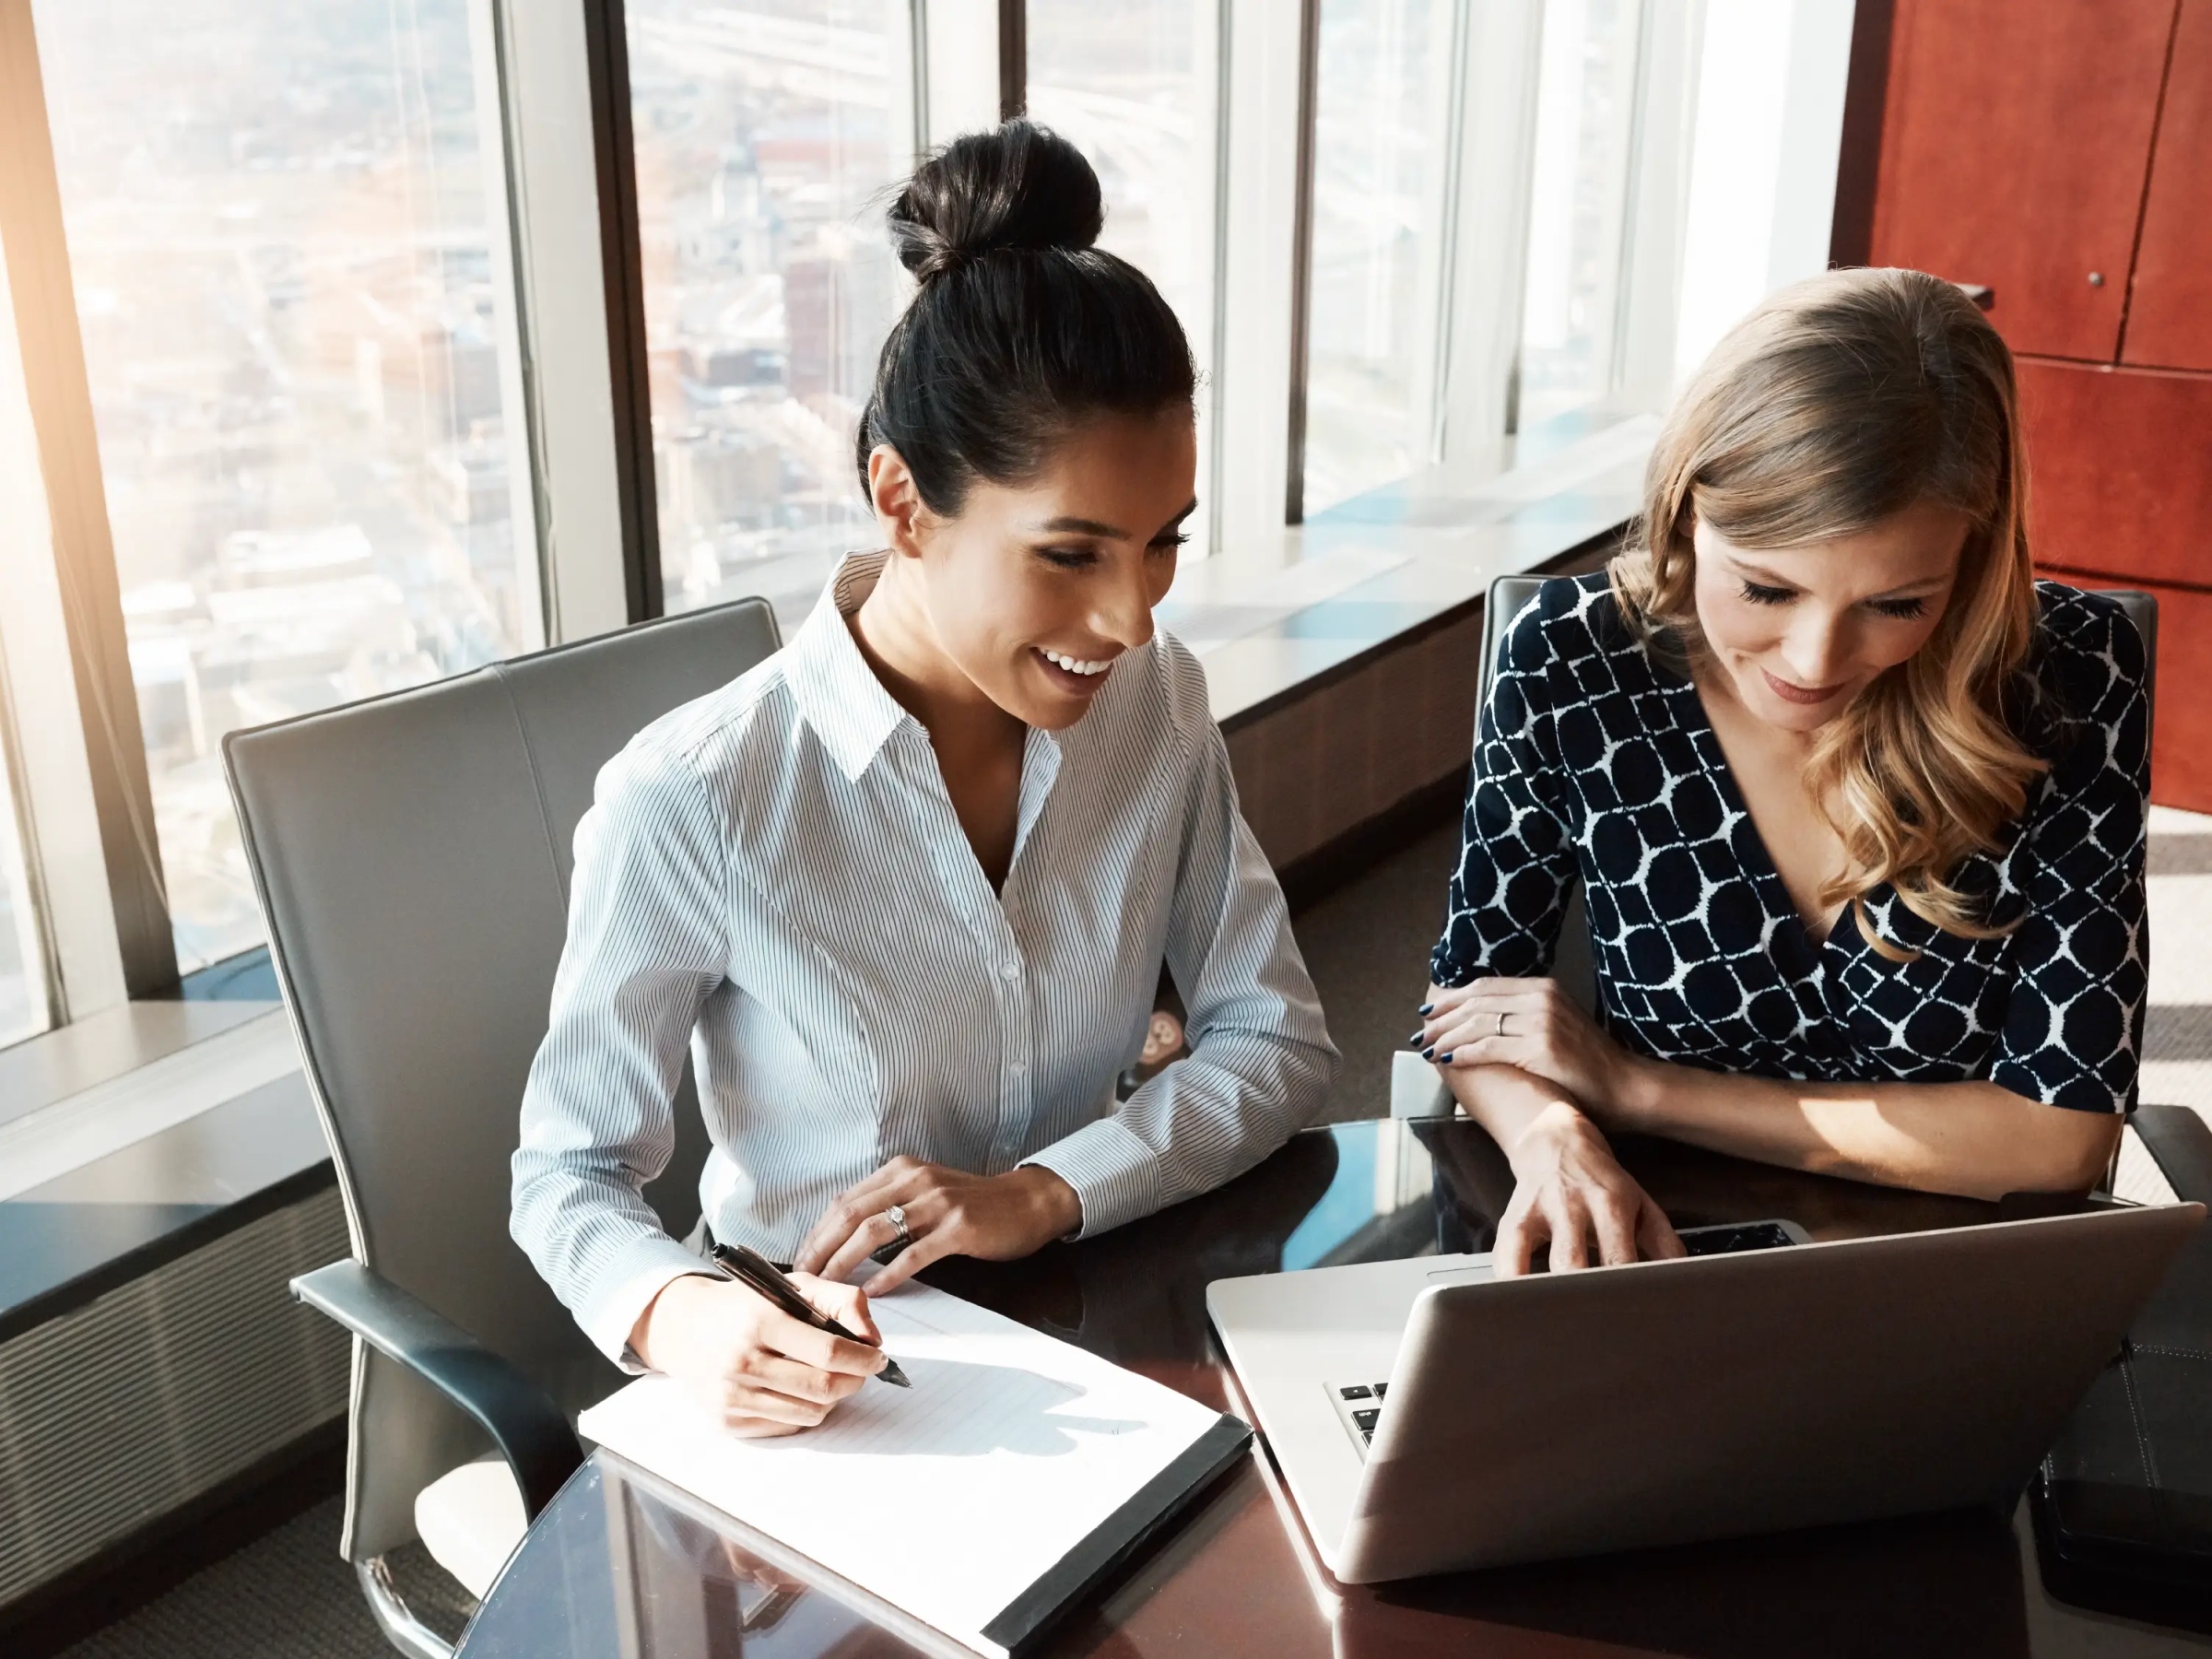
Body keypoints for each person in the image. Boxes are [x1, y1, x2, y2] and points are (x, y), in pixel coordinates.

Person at [511, 121, 1335, 1434]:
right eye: (1071, 553)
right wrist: (689, 1317)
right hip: (837, 1391)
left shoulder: (1157, 702)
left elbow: (1274, 1038)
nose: (1131, 618)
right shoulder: (696, 800)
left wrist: (1048, 1192)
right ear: (901, 502)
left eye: (1162, 544)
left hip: (1103, 1320)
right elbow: (569, 1175)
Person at [1412, 267, 2147, 1275]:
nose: (1813, 661)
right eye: (1766, 588)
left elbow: (2061, 1139)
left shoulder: (2072, 674)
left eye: (1897, 603)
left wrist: (1638, 1091)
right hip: (1648, 1251)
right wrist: (1553, 1134)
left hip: (1952, 1271)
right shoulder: (1573, 658)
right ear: (1686, 513)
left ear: (1970, 564)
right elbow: (1472, 1000)